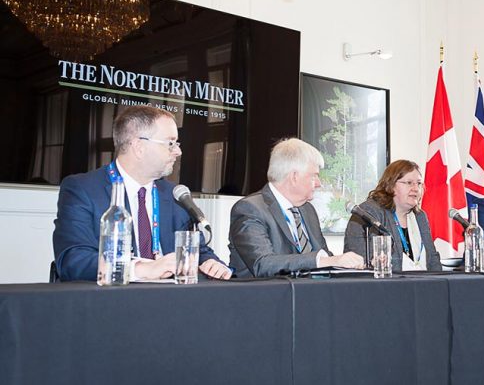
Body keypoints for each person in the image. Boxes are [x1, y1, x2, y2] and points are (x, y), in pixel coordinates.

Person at [52, 105, 232, 281]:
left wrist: (211, 264)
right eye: (170, 143)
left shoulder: (174, 195)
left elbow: (200, 251)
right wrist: (141, 269)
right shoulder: (83, 189)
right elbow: (73, 260)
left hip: (171, 301)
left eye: (177, 144)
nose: (178, 151)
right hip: (112, 301)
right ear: (139, 146)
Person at [228, 138, 365, 277]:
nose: (319, 184)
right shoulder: (250, 209)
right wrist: (323, 261)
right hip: (265, 296)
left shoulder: (308, 210)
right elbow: (263, 264)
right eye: (314, 176)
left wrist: (353, 266)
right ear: (294, 176)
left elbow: (324, 257)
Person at [343, 160, 442, 272]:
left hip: (422, 285)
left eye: (419, 183)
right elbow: (359, 258)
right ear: (391, 185)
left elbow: (433, 258)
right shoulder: (369, 212)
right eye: (409, 183)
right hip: (385, 286)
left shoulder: (420, 216)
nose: (416, 188)